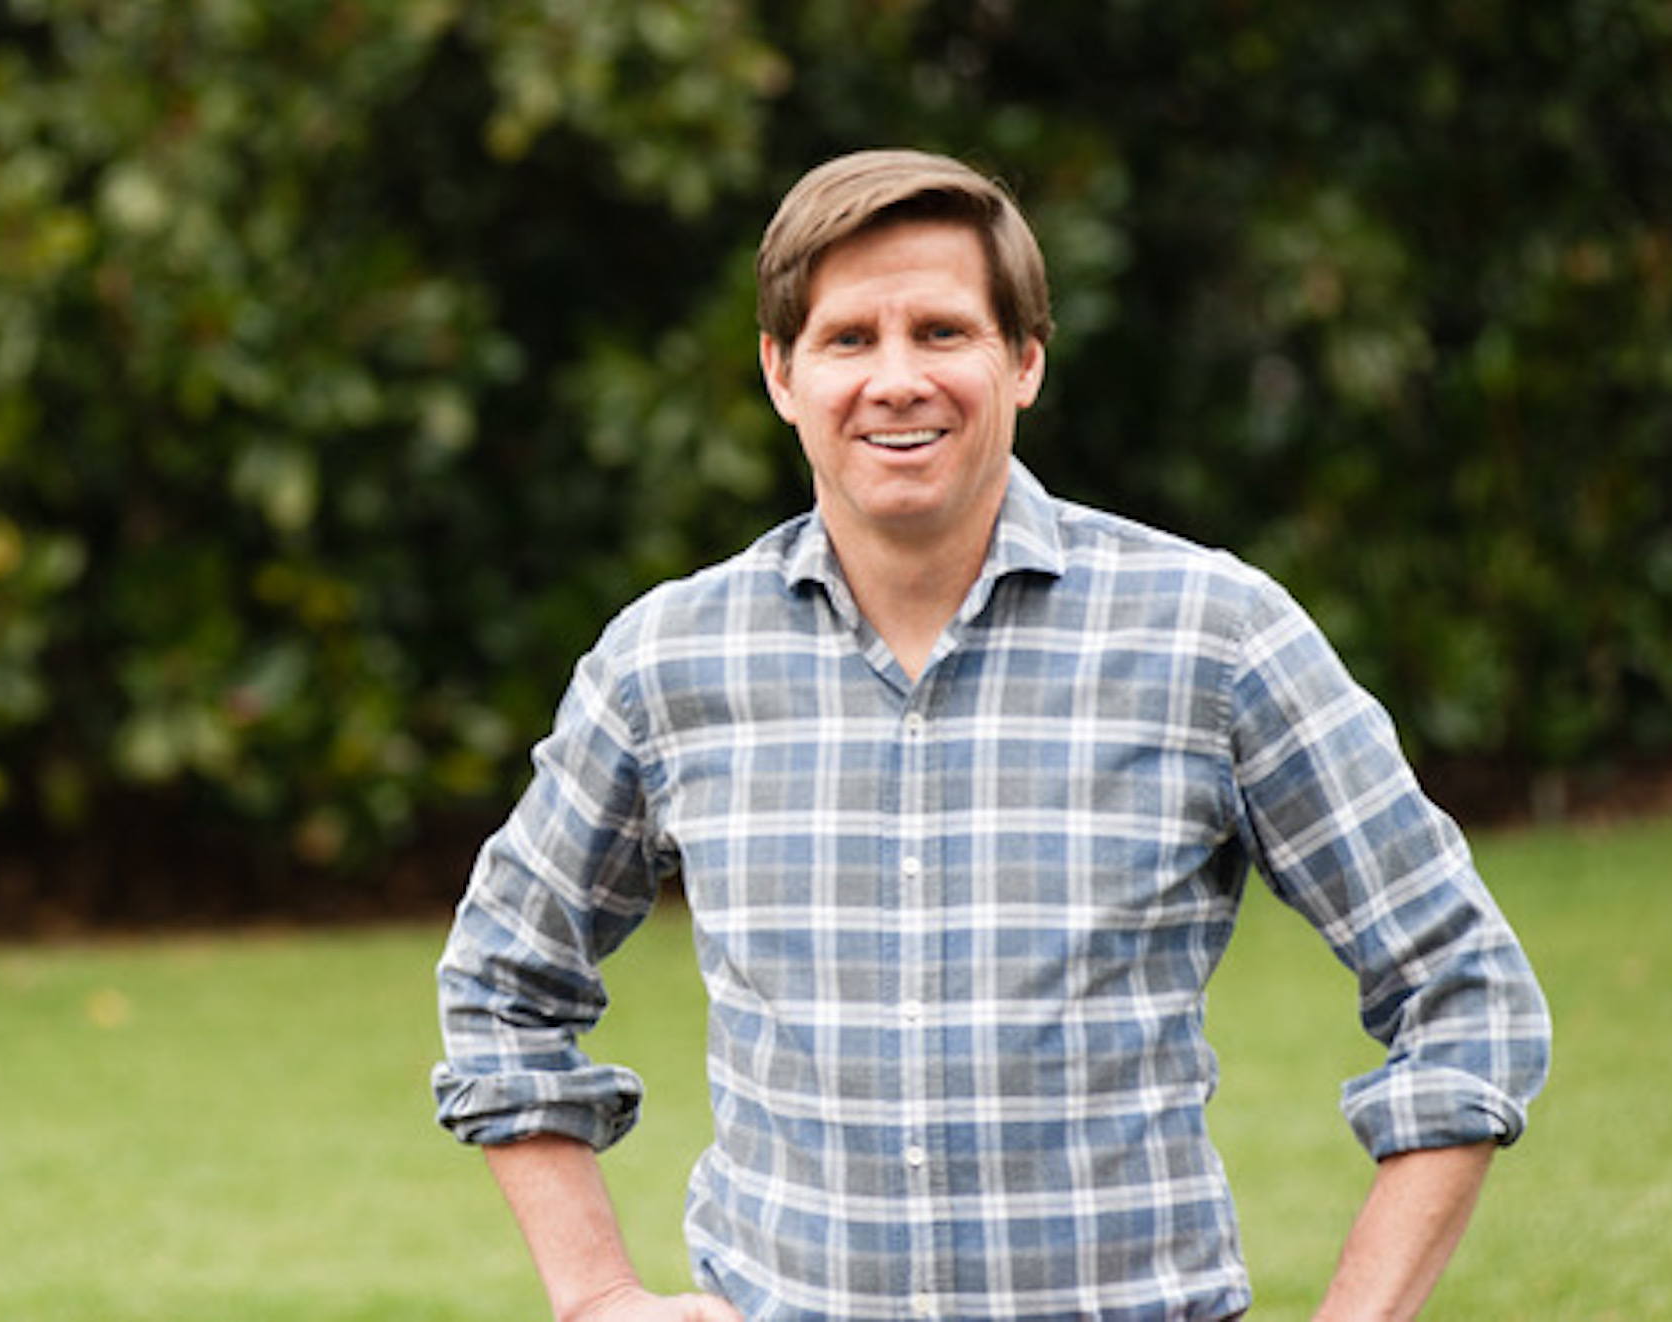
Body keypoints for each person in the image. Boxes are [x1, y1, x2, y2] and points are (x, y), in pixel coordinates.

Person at [431, 148, 1550, 1321]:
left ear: (1023, 360)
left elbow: (1461, 988)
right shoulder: (666, 662)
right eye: (848, 337)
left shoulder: (1212, 637)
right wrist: (597, 1294)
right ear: (780, 371)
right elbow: (504, 981)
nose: (895, 379)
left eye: (942, 331)